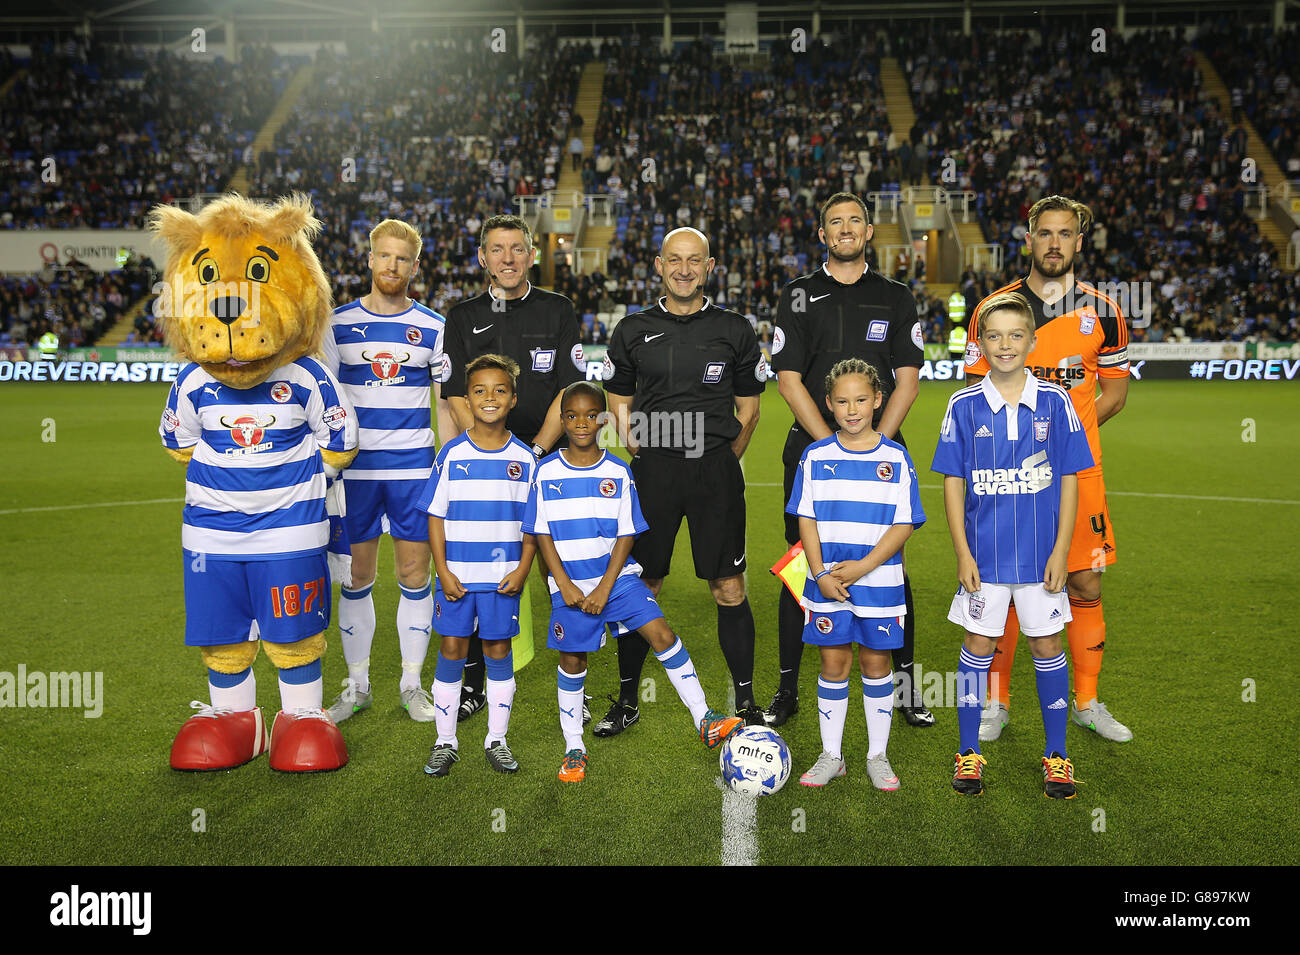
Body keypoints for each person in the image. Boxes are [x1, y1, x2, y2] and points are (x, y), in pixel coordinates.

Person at [964, 196, 1133, 743]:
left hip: (1077, 477)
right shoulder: (995, 310)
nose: (1055, 243)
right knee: (1004, 584)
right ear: (1030, 239)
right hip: (1006, 479)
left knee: (1084, 579)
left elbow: (1113, 395)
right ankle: (996, 703)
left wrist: (1065, 442)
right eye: (1046, 234)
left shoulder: (1104, 312)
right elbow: (974, 394)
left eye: (1066, 234)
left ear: (1079, 242)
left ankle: (1087, 701)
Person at [525, 381, 745, 782]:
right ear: (561, 420)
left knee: (662, 634)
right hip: (570, 585)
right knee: (573, 660)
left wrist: (606, 587)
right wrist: (564, 585)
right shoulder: (546, 471)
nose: (580, 423)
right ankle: (575, 747)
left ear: (604, 420)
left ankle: (705, 719)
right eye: (571, 416)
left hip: (617, 581)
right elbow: (542, 534)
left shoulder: (618, 470)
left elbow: (627, 534)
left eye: (591, 415)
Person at [769, 192, 933, 729]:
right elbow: (788, 378)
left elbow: (907, 378)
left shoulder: (896, 296)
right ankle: (788, 687)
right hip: (812, 450)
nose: (845, 229)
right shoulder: (796, 295)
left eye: (855, 221)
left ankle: (906, 689)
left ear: (868, 232)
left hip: (885, 451)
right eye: (835, 221)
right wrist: (828, 448)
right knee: (802, 565)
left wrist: (876, 447)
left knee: (890, 565)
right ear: (823, 233)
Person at [600, 226, 765, 733]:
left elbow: (750, 408)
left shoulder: (736, 328)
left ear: (710, 267)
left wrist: (719, 457)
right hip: (654, 472)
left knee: (729, 586)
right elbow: (618, 402)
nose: (685, 269)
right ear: (658, 265)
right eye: (675, 260)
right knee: (641, 584)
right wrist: (643, 451)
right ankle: (627, 699)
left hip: (715, 468)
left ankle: (746, 699)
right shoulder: (631, 329)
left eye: (695, 260)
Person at [933, 292, 1095, 797]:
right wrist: (962, 552)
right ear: (979, 343)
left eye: (1015, 335)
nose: (1005, 345)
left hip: (1040, 558)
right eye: (994, 336)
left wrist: (1061, 550)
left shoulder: (1056, 401)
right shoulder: (962, 404)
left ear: (1031, 341)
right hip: (984, 558)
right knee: (978, 645)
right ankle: (967, 753)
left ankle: (1057, 756)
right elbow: (953, 482)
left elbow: (1070, 476)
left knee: (1046, 644)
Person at [440, 214, 584, 721]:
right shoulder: (460, 317)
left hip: (546, 460)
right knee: (481, 571)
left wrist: (536, 452)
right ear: (483, 257)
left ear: (530, 255)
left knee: (558, 569)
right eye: (497, 250)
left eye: (517, 249)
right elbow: (456, 394)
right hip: (484, 468)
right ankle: (476, 683)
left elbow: (570, 389)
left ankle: (574, 689)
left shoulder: (558, 309)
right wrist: (485, 452)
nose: (507, 258)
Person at [322, 219, 453, 725]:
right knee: (357, 576)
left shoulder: (434, 326)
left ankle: (411, 685)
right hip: (354, 472)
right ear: (370, 259)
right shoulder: (336, 324)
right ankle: (357, 687)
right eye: (384, 256)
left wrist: (447, 458)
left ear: (414, 266)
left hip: (413, 468)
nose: (392, 266)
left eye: (403, 258)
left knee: (414, 574)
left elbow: (444, 403)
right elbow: (325, 402)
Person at [787, 359, 925, 792]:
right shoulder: (815, 455)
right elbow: (805, 518)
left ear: (878, 400)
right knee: (833, 662)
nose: (852, 409)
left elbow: (904, 523)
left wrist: (866, 566)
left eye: (861, 400)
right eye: (842, 401)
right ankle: (832, 755)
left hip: (879, 583)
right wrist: (818, 572)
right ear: (828, 404)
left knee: (875, 661)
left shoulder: (896, 457)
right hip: (826, 583)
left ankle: (876, 755)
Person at [419, 355, 537, 777]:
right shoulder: (451, 454)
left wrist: (523, 569)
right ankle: (445, 740)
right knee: (451, 649)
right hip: (457, 578)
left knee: (497, 651)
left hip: (502, 580)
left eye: (499, 390)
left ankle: (497, 740)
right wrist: (443, 570)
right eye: (480, 390)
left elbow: (532, 524)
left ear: (513, 399)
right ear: (466, 398)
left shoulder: (525, 460)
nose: (489, 397)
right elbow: (434, 515)